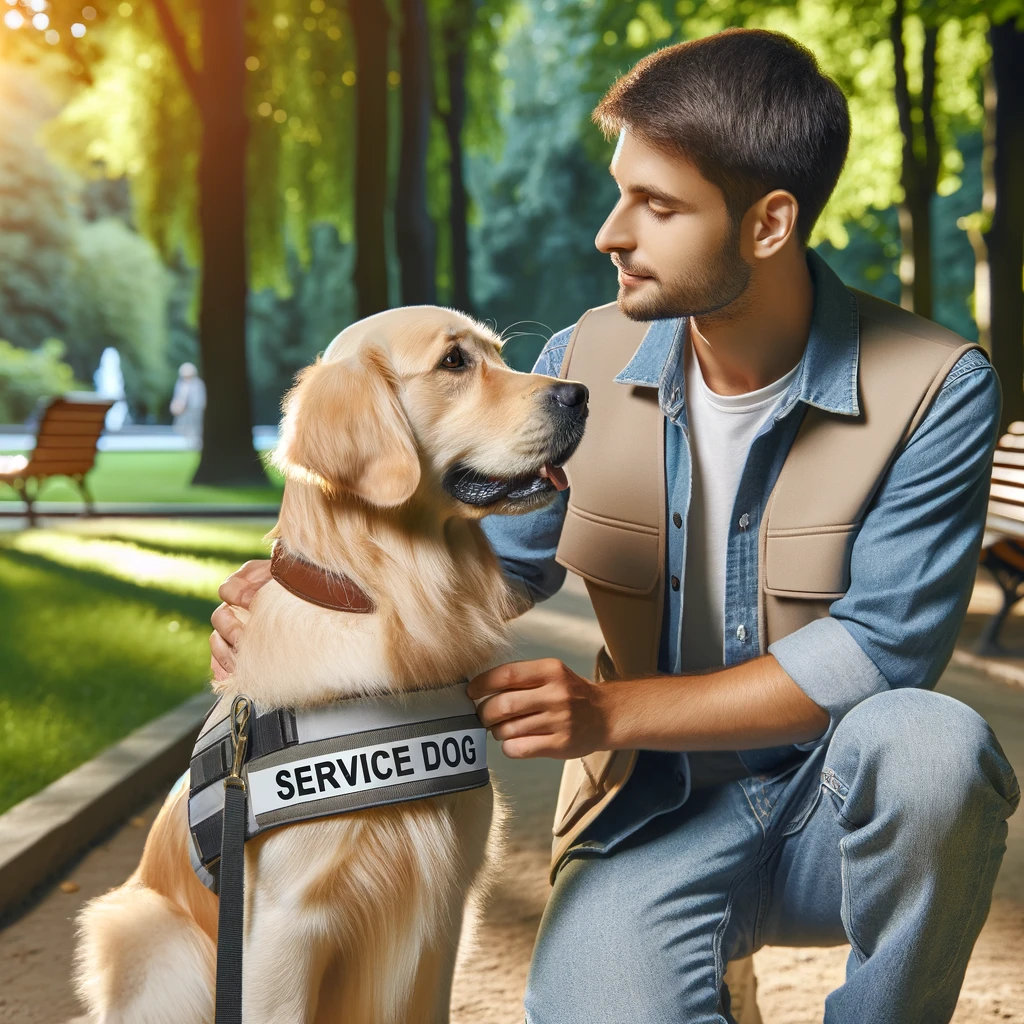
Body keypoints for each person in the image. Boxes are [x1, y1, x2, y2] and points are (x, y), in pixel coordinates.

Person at [209, 29, 1019, 1024]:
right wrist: (303, 599)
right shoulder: (577, 365)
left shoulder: (933, 385)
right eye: (619, 189)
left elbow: (880, 651)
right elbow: (486, 574)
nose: (611, 231)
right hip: (648, 819)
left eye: (657, 205)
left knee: (932, 744)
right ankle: (691, 954)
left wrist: (609, 714)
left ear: (768, 224)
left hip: (838, 819)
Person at [170, 362, 206, 448]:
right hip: (184, 412)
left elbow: (198, 401)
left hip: (194, 412)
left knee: (195, 429)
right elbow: (178, 397)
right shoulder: (180, 384)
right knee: (183, 429)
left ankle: (196, 445)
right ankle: (188, 444)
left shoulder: (198, 384)